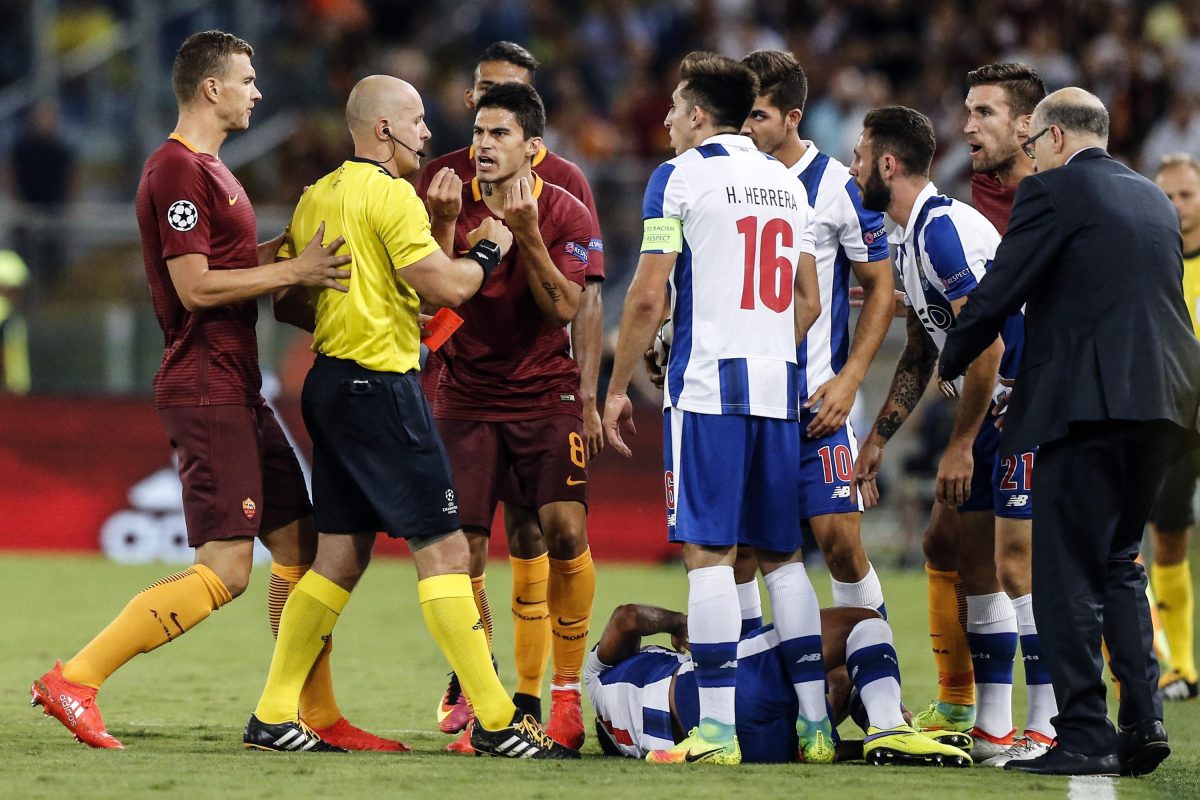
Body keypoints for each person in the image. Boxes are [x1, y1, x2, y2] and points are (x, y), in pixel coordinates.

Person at [27, 30, 403, 753]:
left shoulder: (213, 172)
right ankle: (76, 678)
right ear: (212, 88)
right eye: (248, 78)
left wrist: (290, 251)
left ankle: (311, 712)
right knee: (228, 568)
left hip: (236, 382)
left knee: (302, 543)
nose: (258, 90)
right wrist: (291, 274)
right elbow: (195, 287)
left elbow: (232, 266)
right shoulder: (174, 170)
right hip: (205, 383)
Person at [244, 73, 576, 759]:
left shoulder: (318, 196)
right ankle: (496, 719)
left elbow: (288, 301)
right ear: (385, 130)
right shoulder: (392, 195)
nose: (431, 134)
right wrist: (490, 248)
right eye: (419, 121)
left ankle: (274, 712)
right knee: (449, 550)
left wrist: (372, 302)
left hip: (329, 384)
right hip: (380, 389)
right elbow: (453, 285)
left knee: (339, 555)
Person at [940, 87, 1200, 777]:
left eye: (1032, 146)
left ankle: (1082, 734)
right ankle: (1143, 722)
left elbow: (998, 289)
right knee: (1119, 562)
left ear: (1052, 138)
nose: (1030, 158)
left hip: (1090, 409)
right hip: (1169, 406)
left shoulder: (1051, 194)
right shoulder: (1151, 198)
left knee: (1062, 576)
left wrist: (949, 356)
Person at [602, 51, 825, 766]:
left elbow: (646, 293)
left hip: (710, 391)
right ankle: (817, 727)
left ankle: (718, 732)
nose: (665, 122)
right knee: (782, 558)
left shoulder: (680, 177)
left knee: (709, 554)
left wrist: (616, 383)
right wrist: (770, 349)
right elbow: (805, 299)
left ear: (699, 114)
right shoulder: (787, 184)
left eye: (672, 109)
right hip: (778, 386)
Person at [413, 41, 606, 739]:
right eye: (478, 132)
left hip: (544, 391)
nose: (483, 146)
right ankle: (480, 682)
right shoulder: (445, 196)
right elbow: (427, 315)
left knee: (556, 530)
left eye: (499, 135)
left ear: (533, 147)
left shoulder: (564, 209)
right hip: (463, 393)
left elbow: (564, 308)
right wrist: (437, 229)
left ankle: (559, 697)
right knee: (462, 546)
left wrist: (524, 235)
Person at [845, 106, 1019, 761]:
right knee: (941, 543)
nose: (854, 166)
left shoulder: (943, 232)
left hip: (1011, 402)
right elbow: (921, 351)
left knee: (986, 565)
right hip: (991, 401)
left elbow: (991, 347)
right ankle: (955, 700)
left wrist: (959, 444)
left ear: (888, 165)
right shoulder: (907, 237)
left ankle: (996, 729)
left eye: (860, 156)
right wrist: (881, 438)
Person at [737, 49, 894, 621]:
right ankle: (766, 690)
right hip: (749, 397)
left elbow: (880, 288)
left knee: (839, 542)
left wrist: (851, 380)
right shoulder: (731, 180)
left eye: (758, 115)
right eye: (742, 114)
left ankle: (879, 687)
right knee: (744, 555)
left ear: (794, 116)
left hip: (817, 398)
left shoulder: (836, 186)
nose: (747, 127)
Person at [953, 63, 1057, 767]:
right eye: (967, 111)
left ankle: (1049, 721)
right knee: (969, 557)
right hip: (986, 401)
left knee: (1021, 562)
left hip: (1038, 405)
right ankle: (992, 723)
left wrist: (1036, 380)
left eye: (983, 113)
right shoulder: (976, 197)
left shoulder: (1058, 198)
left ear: (1026, 124)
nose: (967, 127)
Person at [586, 602, 972, 767]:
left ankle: (881, 726)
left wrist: (855, 748)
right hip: (706, 697)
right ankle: (888, 723)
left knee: (831, 678)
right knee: (865, 623)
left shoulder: (621, 727)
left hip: (758, 747)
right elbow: (628, 617)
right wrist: (678, 621)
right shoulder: (597, 675)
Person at [1150, 153, 1200, 702]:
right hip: (1173, 420)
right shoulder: (1152, 259)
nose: (1177, 207)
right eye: (1166, 196)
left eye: (1186, 195)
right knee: (1167, 538)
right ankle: (1181, 665)